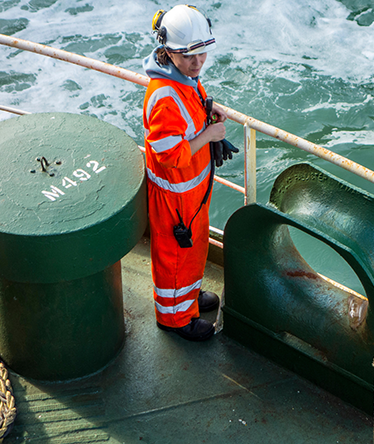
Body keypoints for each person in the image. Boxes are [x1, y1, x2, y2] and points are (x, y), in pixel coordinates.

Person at [142, 4, 236, 341]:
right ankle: (175, 318)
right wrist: (208, 136)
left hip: (191, 191)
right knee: (175, 258)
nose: (197, 63)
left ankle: (190, 298)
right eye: (188, 56)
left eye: (202, 54)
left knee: (192, 249)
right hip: (175, 195)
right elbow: (170, 155)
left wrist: (208, 108)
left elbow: (192, 102)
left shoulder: (184, 77)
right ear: (168, 51)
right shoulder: (164, 96)